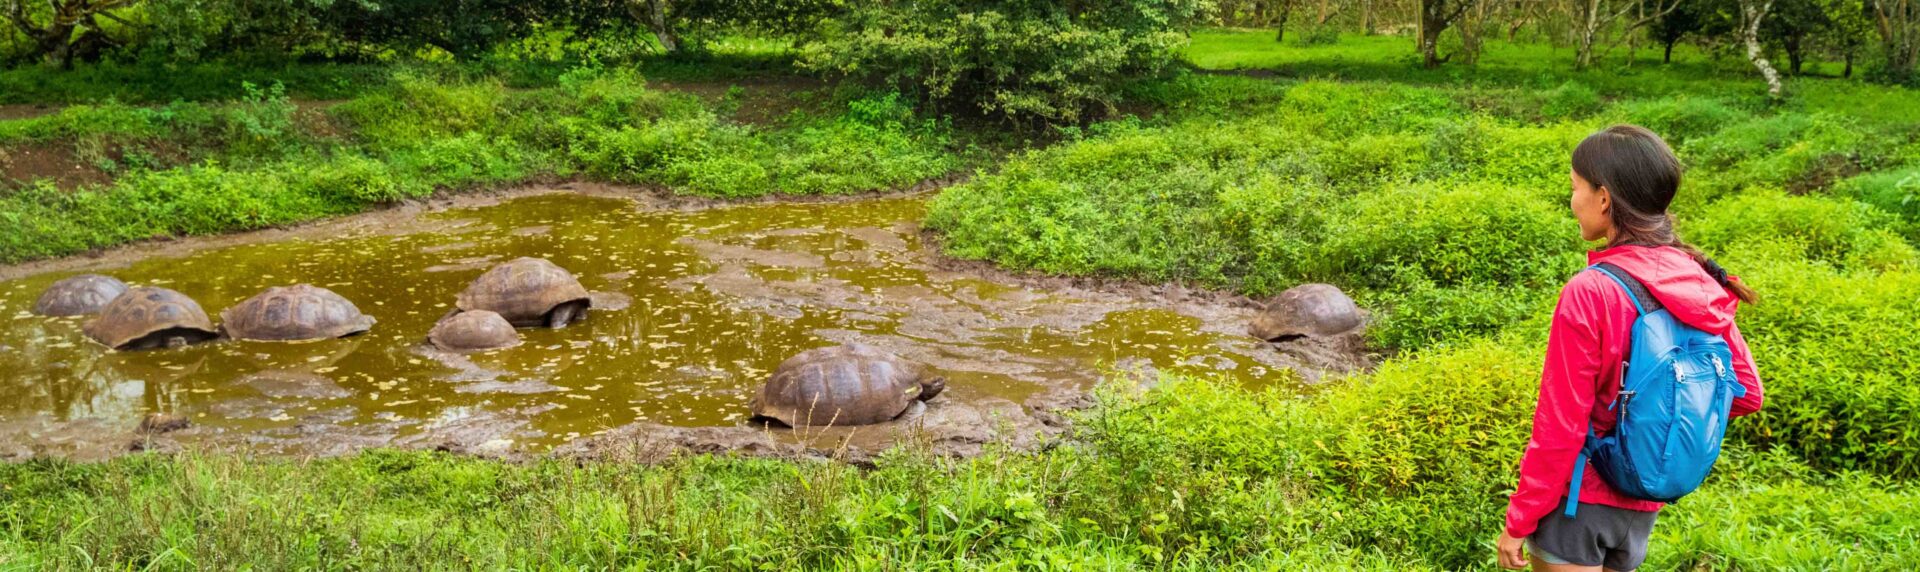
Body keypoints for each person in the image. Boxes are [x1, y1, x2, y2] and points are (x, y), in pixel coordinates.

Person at [1494, 125, 1765, 571]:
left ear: (1604, 198)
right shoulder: (1699, 278)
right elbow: (1746, 393)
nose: (1572, 201)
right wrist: (1652, 423)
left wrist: (1519, 520)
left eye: (1574, 187)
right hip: (1641, 508)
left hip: (1578, 506)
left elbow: (1561, 424)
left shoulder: (1591, 290)